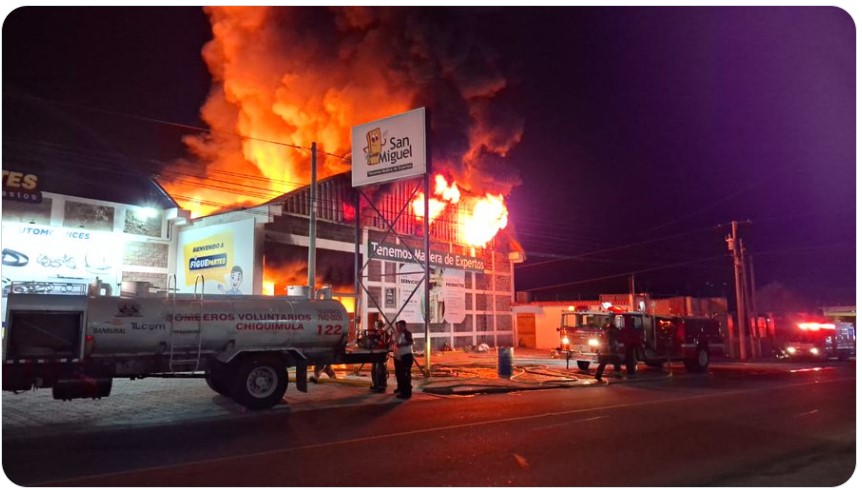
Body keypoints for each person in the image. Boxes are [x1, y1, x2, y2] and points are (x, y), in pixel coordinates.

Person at [391, 320, 414, 399]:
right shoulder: (396, 334)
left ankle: (406, 392)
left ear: (404, 326)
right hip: (397, 357)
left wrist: (401, 345)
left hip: (406, 356)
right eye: (397, 326)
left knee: (404, 375)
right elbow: (393, 342)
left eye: (400, 326)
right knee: (399, 374)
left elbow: (410, 342)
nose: (398, 328)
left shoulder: (407, 333)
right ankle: (400, 388)